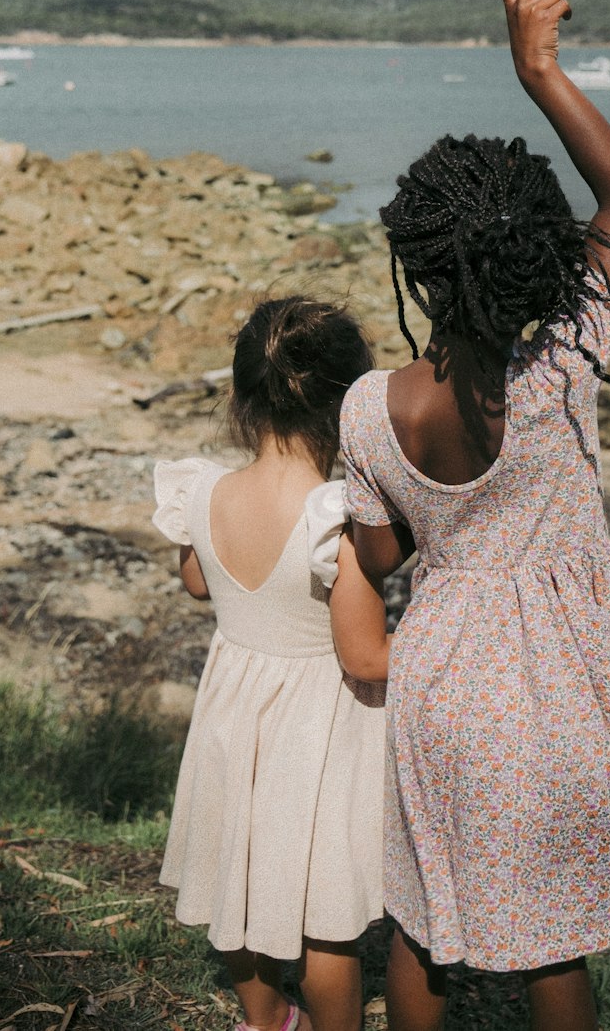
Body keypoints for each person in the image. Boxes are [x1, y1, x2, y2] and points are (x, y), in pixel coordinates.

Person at [338, 0, 610, 1031]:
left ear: (418, 262)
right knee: (554, 946)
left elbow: (385, 551)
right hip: (554, 687)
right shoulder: (559, 374)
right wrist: (536, 71)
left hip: (441, 673)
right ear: (536, 248)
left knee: (422, 916)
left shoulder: (367, 406)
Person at [153, 296, 390, 1031]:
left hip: (235, 705)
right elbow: (361, 650)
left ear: (241, 396)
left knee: (242, 870)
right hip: (322, 720)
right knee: (326, 912)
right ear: (350, 404)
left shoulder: (206, 493)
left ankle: (263, 1020)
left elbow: (198, 582)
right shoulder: (335, 516)